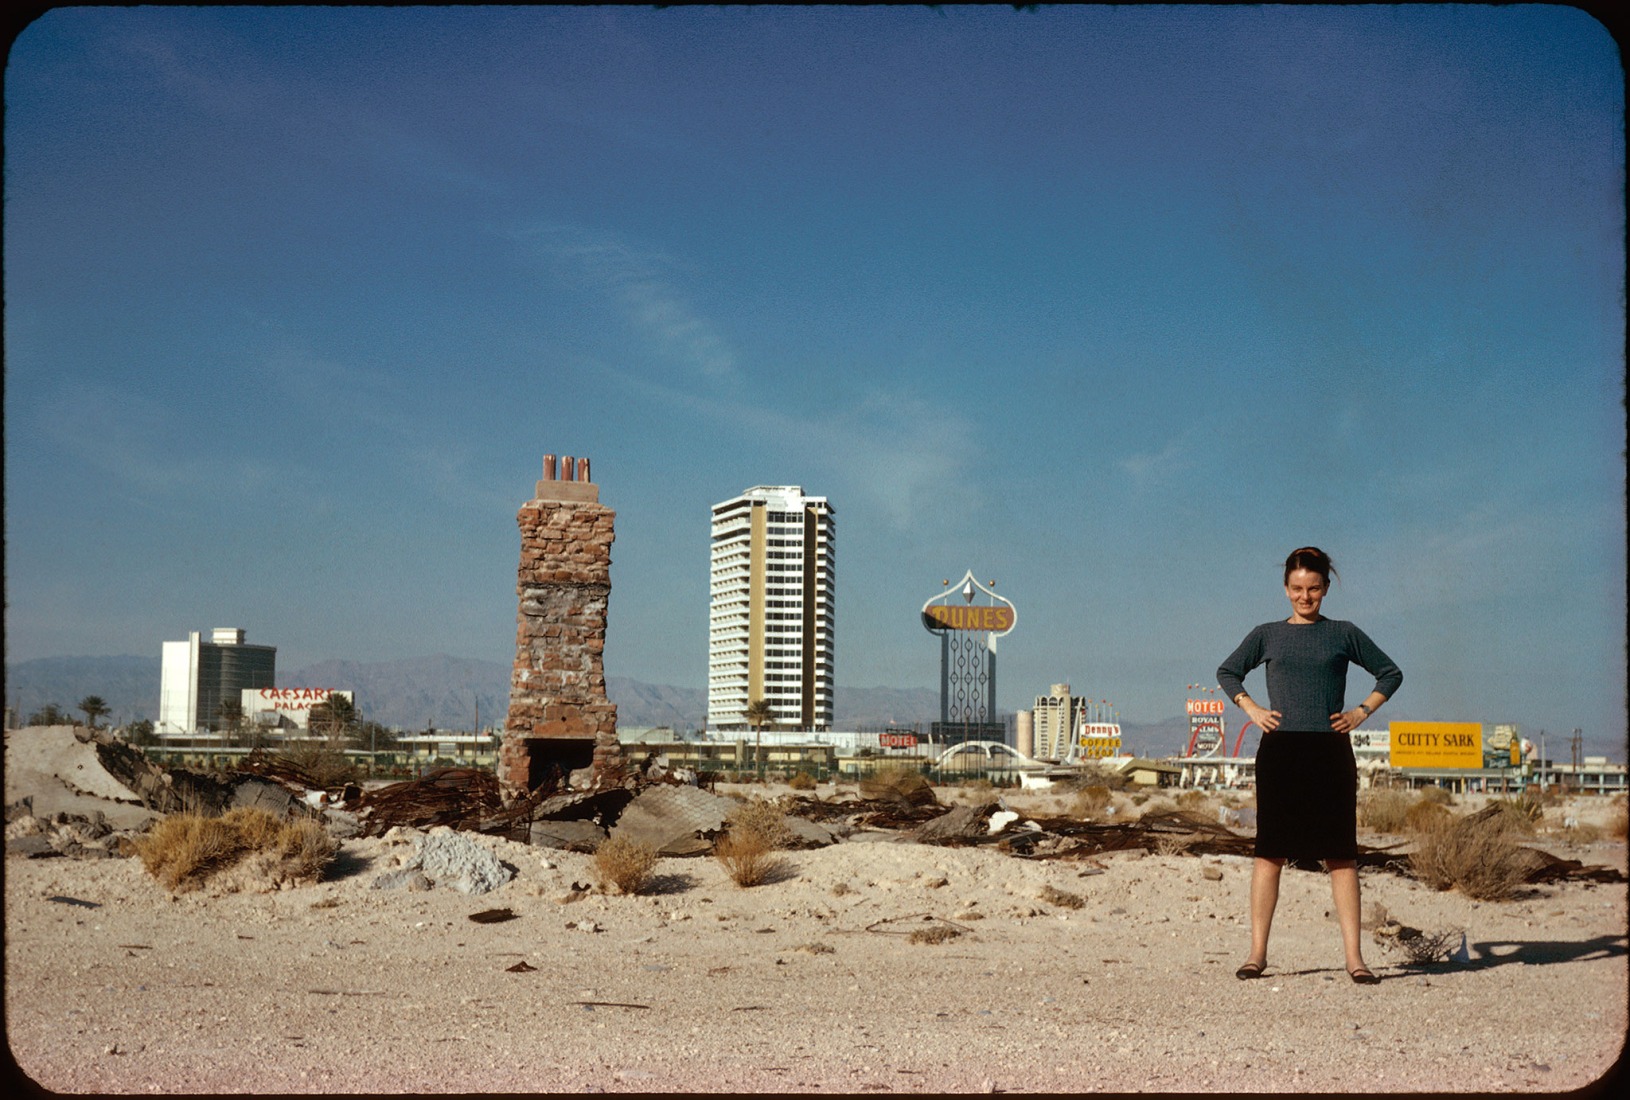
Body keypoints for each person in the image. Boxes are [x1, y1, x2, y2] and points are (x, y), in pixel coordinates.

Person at [1217, 546, 1402, 984]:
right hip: (1280, 752)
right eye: (1298, 588)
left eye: (1313, 589)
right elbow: (1228, 672)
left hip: (1330, 752)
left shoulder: (1343, 633)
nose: (1305, 597)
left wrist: (1360, 712)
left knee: (1341, 855)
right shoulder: (1266, 634)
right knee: (1269, 853)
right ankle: (1256, 955)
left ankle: (1355, 959)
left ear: (1326, 589)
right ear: (1285, 588)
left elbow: (1390, 673)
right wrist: (1252, 709)